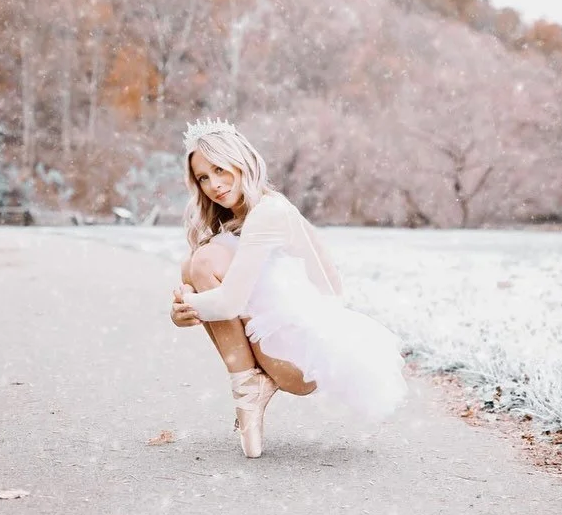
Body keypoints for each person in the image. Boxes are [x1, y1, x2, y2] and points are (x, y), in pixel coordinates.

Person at [170, 118, 407, 458]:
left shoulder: (270, 212)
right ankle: (250, 386)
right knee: (192, 263)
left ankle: (246, 389)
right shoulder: (240, 216)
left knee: (203, 262)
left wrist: (187, 307)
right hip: (280, 346)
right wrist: (188, 306)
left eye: (220, 170)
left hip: (300, 357)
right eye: (203, 178)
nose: (214, 185)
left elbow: (231, 301)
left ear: (243, 162)